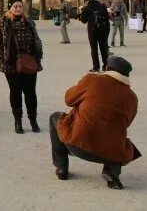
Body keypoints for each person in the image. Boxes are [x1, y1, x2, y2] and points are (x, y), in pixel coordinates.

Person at [50, 56, 141, 190]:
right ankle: (111, 171)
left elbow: (69, 99)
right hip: (110, 153)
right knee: (120, 140)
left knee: (55, 118)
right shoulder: (132, 97)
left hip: (78, 142)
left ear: (107, 69)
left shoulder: (93, 80)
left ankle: (62, 167)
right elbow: (127, 123)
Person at [0, 0, 43, 134]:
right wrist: (3, 57)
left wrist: (37, 54)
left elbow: (37, 39)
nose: (18, 8)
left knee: (30, 92)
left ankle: (33, 120)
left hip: (30, 63)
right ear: (10, 8)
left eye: (20, 6)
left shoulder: (29, 22)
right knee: (15, 92)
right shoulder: (2, 23)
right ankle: (18, 120)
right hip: (11, 65)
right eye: (15, 6)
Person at [79, 0, 111, 73]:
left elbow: (83, 20)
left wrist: (82, 11)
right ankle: (106, 65)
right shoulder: (101, 6)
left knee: (94, 49)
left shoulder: (87, 7)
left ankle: (96, 67)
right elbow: (107, 18)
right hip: (102, 30)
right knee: (103, 48)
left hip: (92, 31)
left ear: (85, 1)